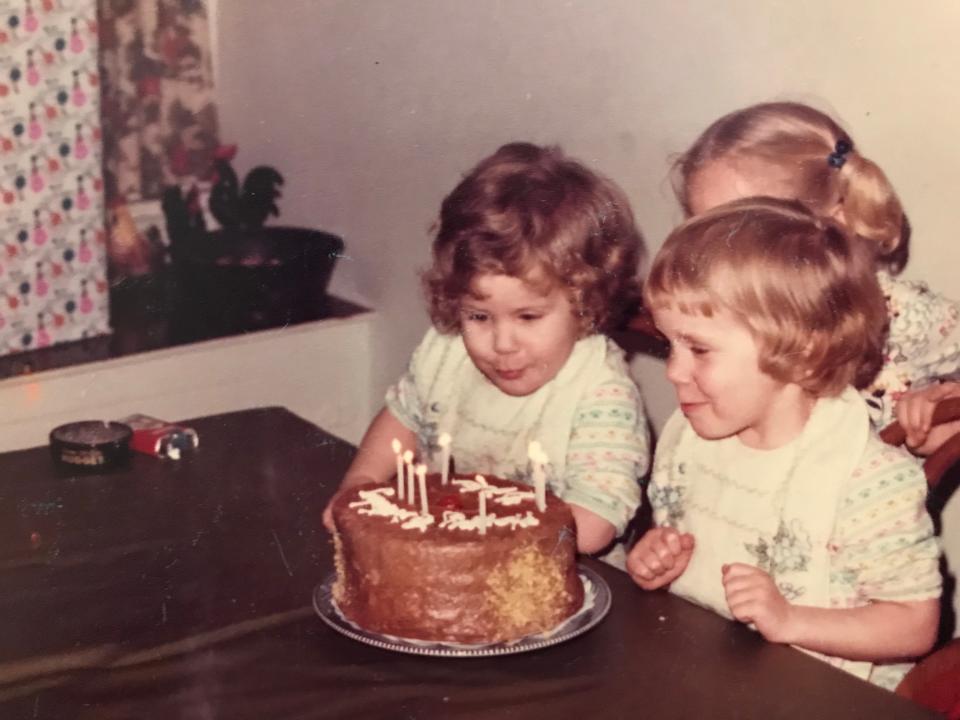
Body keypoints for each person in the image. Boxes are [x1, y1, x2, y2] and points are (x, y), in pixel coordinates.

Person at [626, 198, 941, 690]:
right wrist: (656, 562)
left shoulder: (867, 480)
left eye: (699, 349)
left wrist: (791, 619)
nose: (672, 371)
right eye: (670, 345)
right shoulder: (694, 436)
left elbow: (915, 623)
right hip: (709, 676)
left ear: (800, 349)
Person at [323, 142, 650, 559]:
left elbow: (595, 524)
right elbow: (403, 418)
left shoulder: (600, 391)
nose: (502, 344)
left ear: (586, 302)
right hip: (444, 561)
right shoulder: (446, 352)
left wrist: (488, 537)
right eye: (478, 316)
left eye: (528, 317)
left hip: (560, 580)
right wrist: (360, 484)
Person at [672, 101, 960, 454]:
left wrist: (940, 405)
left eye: (742, 236)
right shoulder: (717, 317)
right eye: (703, 234)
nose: (716, 256)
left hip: (864, 501)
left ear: (834, 222)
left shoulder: (904, 314)